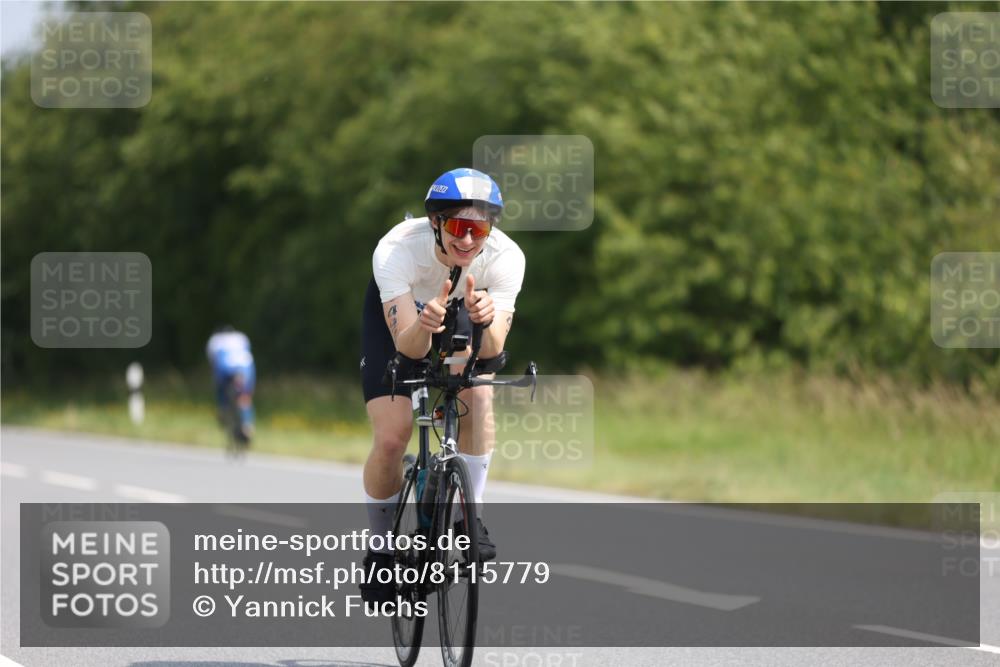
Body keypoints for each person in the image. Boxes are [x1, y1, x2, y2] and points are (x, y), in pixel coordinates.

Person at [359, 167, 525, 604]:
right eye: (457, 227)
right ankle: (380, 550)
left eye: (478, 228)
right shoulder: (397, 250)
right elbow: (409, 348)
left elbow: (491, 351)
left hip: (465, 317)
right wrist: (425, 324)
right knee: (393, 437)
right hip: (406, 321)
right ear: (436, 223)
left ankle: (470, 520)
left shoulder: (507, 258)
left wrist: (486, 318)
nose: (467, 240)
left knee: (479, 393)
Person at [206, 325, 256, 442]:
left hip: (225, 368)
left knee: (220, 389)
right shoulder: (241, 337)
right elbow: (248, 351)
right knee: (244, 397)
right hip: (245, 367)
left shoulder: (215, 340)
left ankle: (222, 410)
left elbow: (212, 360)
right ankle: (247, 426)